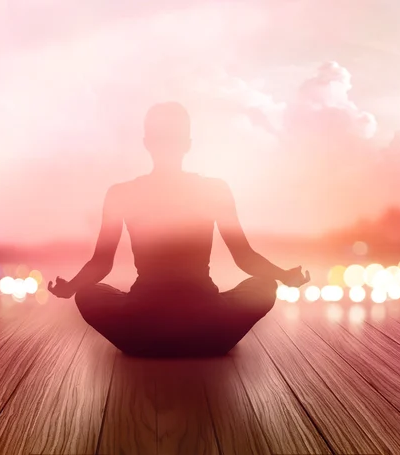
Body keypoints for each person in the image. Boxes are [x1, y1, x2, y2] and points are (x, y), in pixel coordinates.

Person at [48, 102, 310, 357]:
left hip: (143, 321)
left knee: (88, 293)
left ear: (147, 142)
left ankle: (148, 343)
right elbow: (243, 256)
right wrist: (282, 276)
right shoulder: (214, 190)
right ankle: (207, 341)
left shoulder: (121, 194)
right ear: (187, 144)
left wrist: (72, 287)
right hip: (207, 322)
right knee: (263, 286)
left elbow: (102, 263)